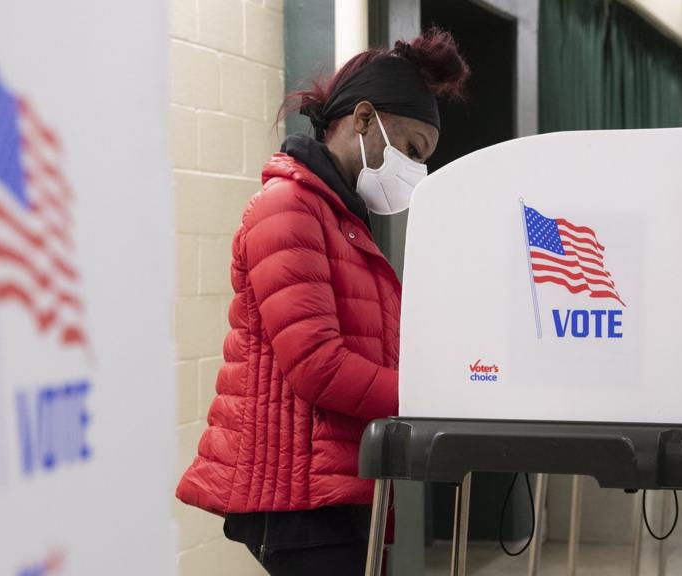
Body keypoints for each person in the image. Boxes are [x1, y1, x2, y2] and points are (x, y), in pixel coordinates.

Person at [176, 28, 469, 575]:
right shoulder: (288, 208)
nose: (414, 170)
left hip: (336, 484)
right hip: (295, 495)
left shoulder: (341, 221)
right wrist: (431, 396)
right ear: (363, 119)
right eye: (410, 149)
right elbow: (318, 366)